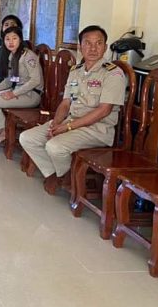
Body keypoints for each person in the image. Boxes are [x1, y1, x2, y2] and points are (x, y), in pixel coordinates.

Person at [19, 25, 126, 192]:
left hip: (97, 130)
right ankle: (56, 173)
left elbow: (104, 110)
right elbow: (65, 103)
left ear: (105, 47)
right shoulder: (76, 71)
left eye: (98, 43)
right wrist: (56, 124)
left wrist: (66, 127)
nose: (93, 48)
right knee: (27, 138)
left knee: (55, 147)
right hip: (71, 122)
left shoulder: (113, 73)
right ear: (80, 47)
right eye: (88, 43)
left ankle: (65, 177)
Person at [0, 26, 43, 145]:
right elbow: (9, 80)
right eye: (7, 39)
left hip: (31, 95)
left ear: (20, 39)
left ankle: (4, 130)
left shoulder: (28, 56)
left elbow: (35, 81)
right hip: (18, 91)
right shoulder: (12, 56)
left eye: (14, 38)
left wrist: (13, 93)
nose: (11, 42)